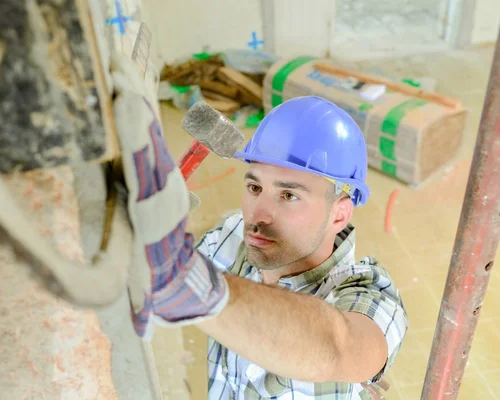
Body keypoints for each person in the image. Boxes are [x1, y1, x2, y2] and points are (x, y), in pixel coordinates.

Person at [111, 55, 408, 399]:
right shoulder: (234, 236)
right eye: (254, 188)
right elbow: (160, 264)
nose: (259, 215)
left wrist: (187, 284)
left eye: (288, 195)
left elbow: (340, 349)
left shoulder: (370, 294)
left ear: (339, 215)